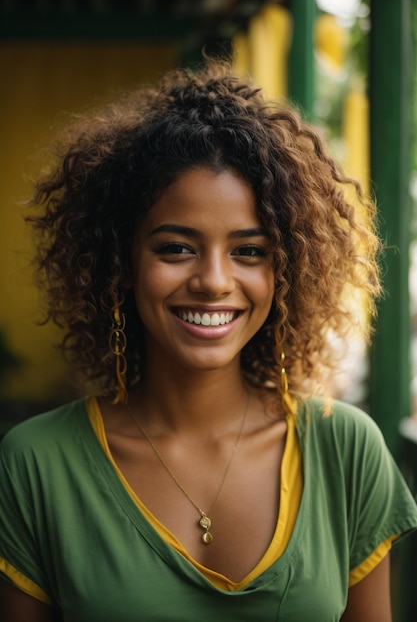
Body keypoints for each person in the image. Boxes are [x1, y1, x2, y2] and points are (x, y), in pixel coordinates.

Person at [0, 59, 416, 622]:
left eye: (249, 251)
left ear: (285, 271)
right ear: (121, 263)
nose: (215, 282)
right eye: (176, 248)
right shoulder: (35, 463)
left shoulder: (344, 448)